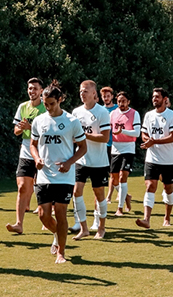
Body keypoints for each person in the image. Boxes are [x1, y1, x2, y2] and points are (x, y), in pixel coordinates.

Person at [30, 82, 87, 263]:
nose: (48, 107)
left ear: (60, 100)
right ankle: (57, 235)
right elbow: (32, 144)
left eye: (51, 104)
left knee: (61, 213)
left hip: (64, 176)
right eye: (45, 104)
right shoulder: (39, 120)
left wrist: (69, 163)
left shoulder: (71, 121)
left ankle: (61, 252)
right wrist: (37, 159)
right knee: (43, 215)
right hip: (44, 174)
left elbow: (83, 148)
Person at [71, 80, 111, 240]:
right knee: (76, 192)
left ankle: (101, 228)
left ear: (94, 93)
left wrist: (84, 135)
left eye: (86, 91)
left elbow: (105, 138)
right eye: (81, 91)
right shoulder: (75, 112)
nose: (82, 93)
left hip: (99, 162)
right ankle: (84, 228)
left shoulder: (102, 112)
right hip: (81, 160)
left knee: (99, 194)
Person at [136, 88, 173, 229]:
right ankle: (146, 219)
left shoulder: (172, 115)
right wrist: (147, 141)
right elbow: (143, 133)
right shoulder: (149, 115)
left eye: (157, 97)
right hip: (152, 159)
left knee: (168, 189)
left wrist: (154, 141)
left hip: (168, 160)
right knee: (150, 186)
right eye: (153, 97)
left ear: (165, 99)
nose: (154, 99)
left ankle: (167, 217)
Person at [6, 78, 46, 235]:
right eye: (30, 88)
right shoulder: (22, 107)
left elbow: (50, 131)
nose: (32, 91)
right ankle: (19, 224)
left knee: (44, 187)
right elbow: (16, 131)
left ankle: (46, 218)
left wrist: (32, 128)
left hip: (44, 150)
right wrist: (21, 128)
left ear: (41, 90)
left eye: (35, 88)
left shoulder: (46, 106)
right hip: (26, 150)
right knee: (22, 187)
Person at [110, 91, 141, 216]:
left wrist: (123, 132)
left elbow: (137, 133)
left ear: (128, 101)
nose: (121, 104)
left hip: (128, 148)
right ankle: (126, 196)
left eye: (123, 101)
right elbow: (109, 130)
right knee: (114, 178)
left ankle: (120, 208)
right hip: (115, 148)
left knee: (123, 177)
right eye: (118, 101)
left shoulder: (134, 113)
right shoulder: (112, 113)